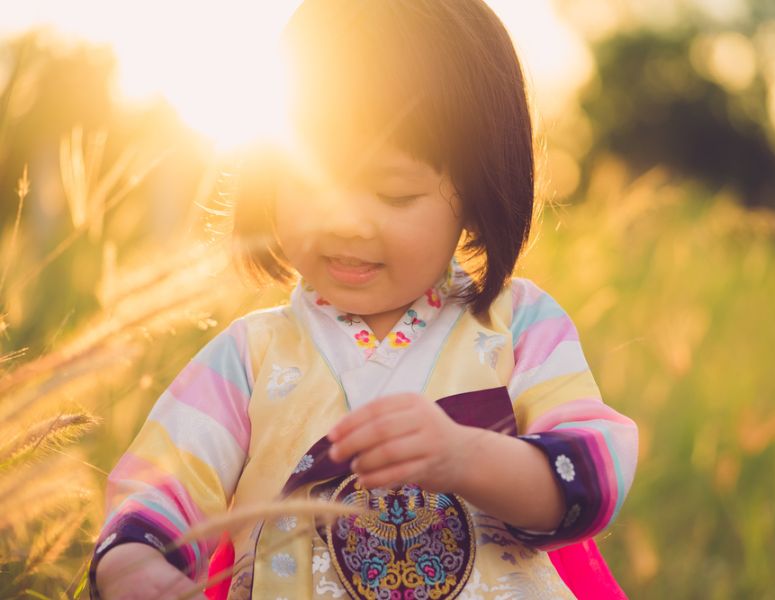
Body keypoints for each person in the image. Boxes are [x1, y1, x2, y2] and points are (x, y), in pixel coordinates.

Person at [91, 1, 639, 598]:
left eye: (395, 194)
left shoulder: (517, 327)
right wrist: (135, 566)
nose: (346, 222)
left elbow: (593, 472)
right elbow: (160, 489)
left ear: (478, 193)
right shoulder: (250, 357)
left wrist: (466, 457)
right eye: (309, 183)